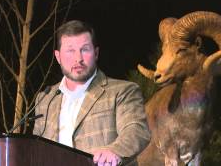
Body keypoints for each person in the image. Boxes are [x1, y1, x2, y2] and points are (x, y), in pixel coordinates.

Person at [33, 20, 150, 165]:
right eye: (70, 50)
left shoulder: (122, 91)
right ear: (58, 57)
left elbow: (136, 130)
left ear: (96, 53)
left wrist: (115, 150)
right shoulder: (45, 99)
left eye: (85, 49)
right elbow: (36, 150)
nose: (78, 58)